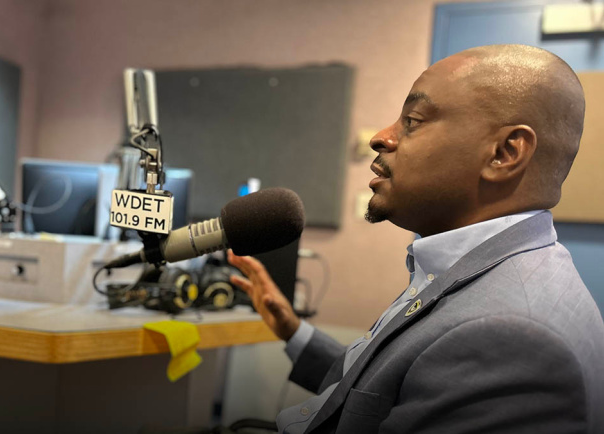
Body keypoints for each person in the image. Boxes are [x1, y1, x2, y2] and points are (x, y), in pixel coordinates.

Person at [228, 44, 604, 434]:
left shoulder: (512, 336)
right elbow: (380, 391)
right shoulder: (475, 272)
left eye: (412, 120)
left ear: (504, 152)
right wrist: (292, 329)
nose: (380, 138)